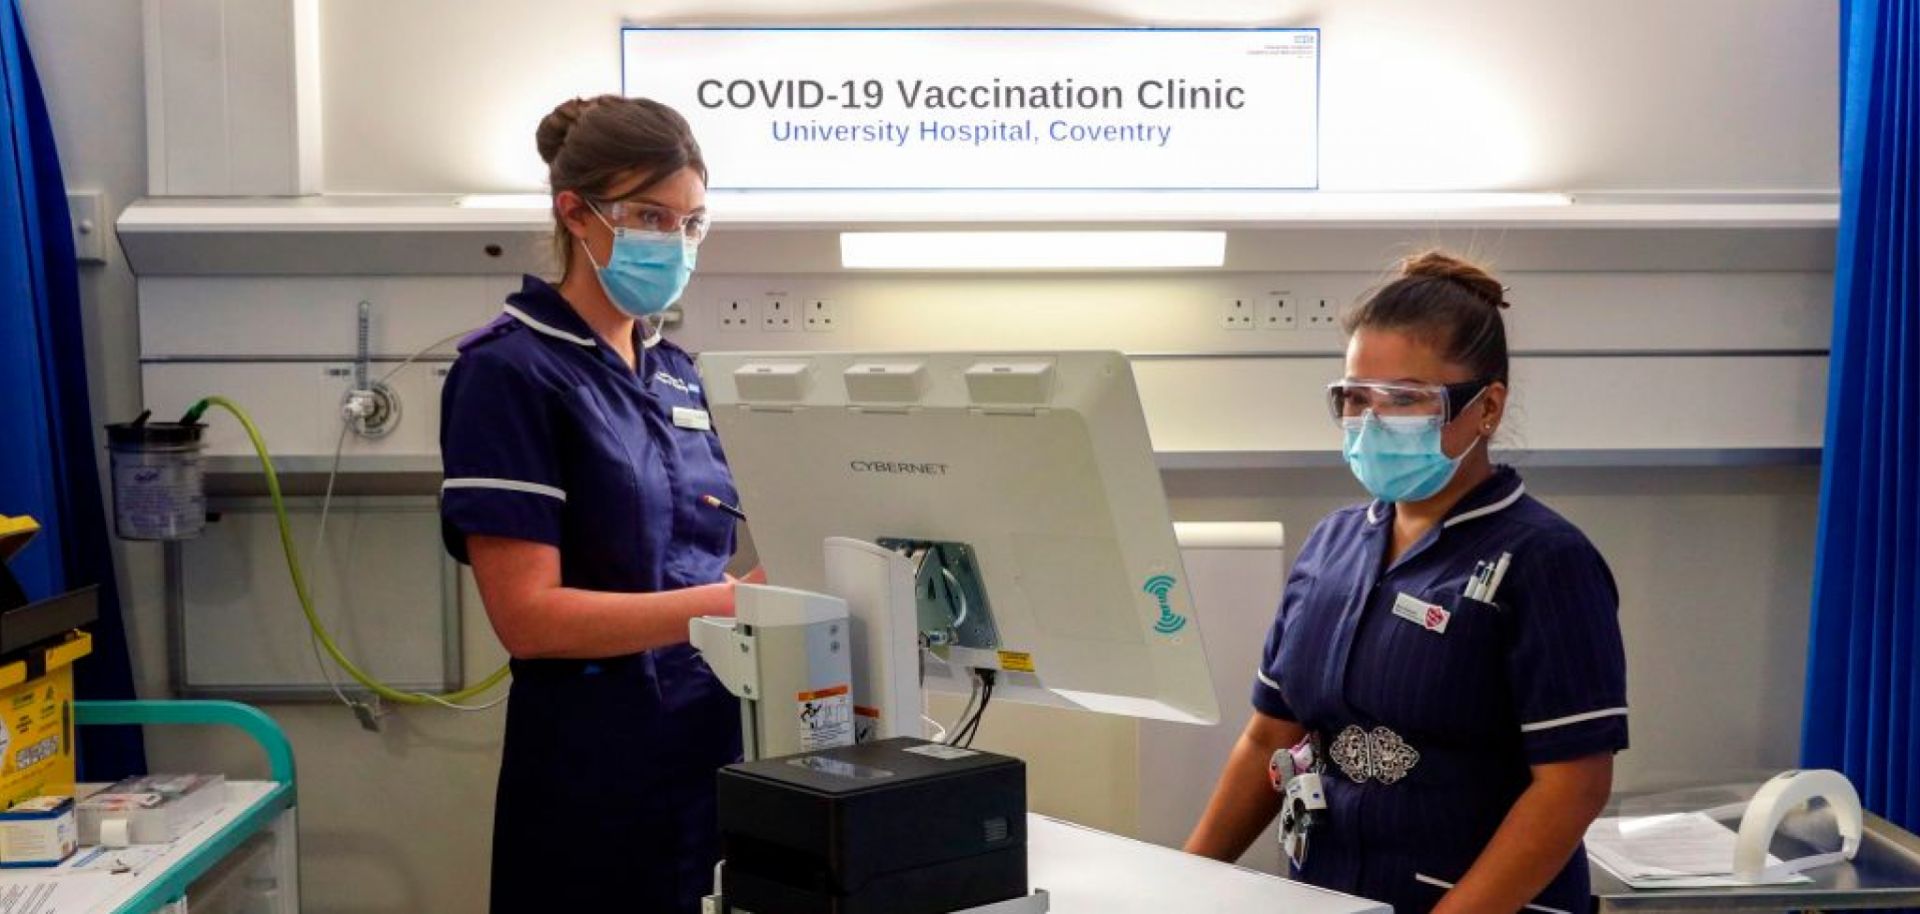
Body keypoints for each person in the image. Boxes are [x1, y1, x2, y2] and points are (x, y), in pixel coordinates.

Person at [1184, 251, 1627, 914]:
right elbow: (1268, 738)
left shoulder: (1544, 560)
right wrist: (1178, 883)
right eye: (1356, 397)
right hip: (1334, 894)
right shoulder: (1333, 545)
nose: (1371, 421)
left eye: (1405, 399)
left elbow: (1572, 787)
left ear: (1486, 407)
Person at [437, 94, 752, 914]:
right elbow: (529, 618)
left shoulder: (678, 374)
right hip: (593, 771)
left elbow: (698, 549)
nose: (675, 243)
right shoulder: (508, 374)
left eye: (692, 224)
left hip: (710, 749)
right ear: (574, 213)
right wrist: (729, 606)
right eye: (651, 215)